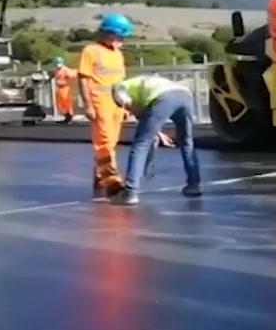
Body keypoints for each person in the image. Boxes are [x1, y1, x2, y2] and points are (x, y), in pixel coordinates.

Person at [110, 74, 202, 205]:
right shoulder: (144, 83)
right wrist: (159, 134)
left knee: (140, 144)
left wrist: (124, 105)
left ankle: (130, 192)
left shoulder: (119, 89)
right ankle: (194, 185)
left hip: (163, 98)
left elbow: (133, 108)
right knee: (187, 141)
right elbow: (147, 119)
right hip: (185, 95)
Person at [78, 13, 132, 199]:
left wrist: (125, 107)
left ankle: (100, 175)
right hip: (99, 103)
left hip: (116, 104)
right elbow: (83, 79)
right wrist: (88, 105)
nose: (121, 40)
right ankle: (112, 183)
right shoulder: (91, 51)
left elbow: (121, 83)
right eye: (120, 36)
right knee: (104, 143)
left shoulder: (118, 54)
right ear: (109, 33)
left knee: (112, 143)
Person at [51, 56, 77, 124]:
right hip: (60, 88)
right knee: (60, 103)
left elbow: (72, 77)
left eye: (59, 63)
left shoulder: (66, 70)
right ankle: (66, 116)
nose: (57, 64)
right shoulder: (56, 70)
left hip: (66, 88)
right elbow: (54, 75)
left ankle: (69, 117)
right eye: (56, 63)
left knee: (66, 102)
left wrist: (66, 82)